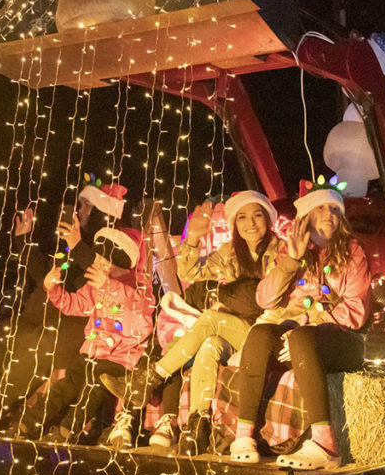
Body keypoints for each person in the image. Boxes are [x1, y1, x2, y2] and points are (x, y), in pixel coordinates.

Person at [0, 177, 133, 430]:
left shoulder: (106, 248)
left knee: (40, 344)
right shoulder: (71, 247)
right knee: (5, 331)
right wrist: (23, 243)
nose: (79, 210)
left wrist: (76, 245)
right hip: (43, 316)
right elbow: (46, 275)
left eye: (87, 206)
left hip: (74, 329)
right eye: (81, 204)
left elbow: (97, 271)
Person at [102, 191, 281, 449]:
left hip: (266, 329)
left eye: (257, 215)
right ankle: (198, 424)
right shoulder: (230, 252)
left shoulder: (280, 251)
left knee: (210, 319)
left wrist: (227, 296)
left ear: (268, 219)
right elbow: (189, 271)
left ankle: (151, 378)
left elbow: (266, 300)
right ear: (234, 223)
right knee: (209, 346)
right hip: (234, 330)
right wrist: (194, 238)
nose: (250, 224)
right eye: (242, 217)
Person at [228, 178, 370, 470]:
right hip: (297, 339)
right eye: (320, 209)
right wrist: (291, 260)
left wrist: (309, 325)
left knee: (302, 337)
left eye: (334, 209)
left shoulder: (353, 251)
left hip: (342, 341)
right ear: (306, 217)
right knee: (260, 332)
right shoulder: (290, 250)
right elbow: (265, 300)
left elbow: (356, 311)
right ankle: (244, 435)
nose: (329, 215)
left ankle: (325, 445)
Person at [16, 226, 154, 447]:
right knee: (70, 381)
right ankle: (30, 423)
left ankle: (66, 431)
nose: (97, 261)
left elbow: (138, 311)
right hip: (92, 352)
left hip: (121, 358)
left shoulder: (138, 284)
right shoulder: (96, 284)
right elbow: (74, 305)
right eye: (96, 256)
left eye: (102, 257)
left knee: (95, 384)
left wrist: (108, 286)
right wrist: (53, 290)